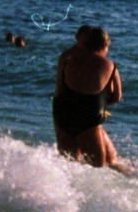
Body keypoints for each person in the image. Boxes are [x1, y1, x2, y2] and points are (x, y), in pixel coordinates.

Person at [52, 24, 123, 167]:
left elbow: (59, 90)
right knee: (98, 167)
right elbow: (117, 97)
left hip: (62, 113)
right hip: (88, 117)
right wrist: (102, 103)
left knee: (69, 164)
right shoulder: (110, 66)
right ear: (104, 45)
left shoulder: (67, 59)